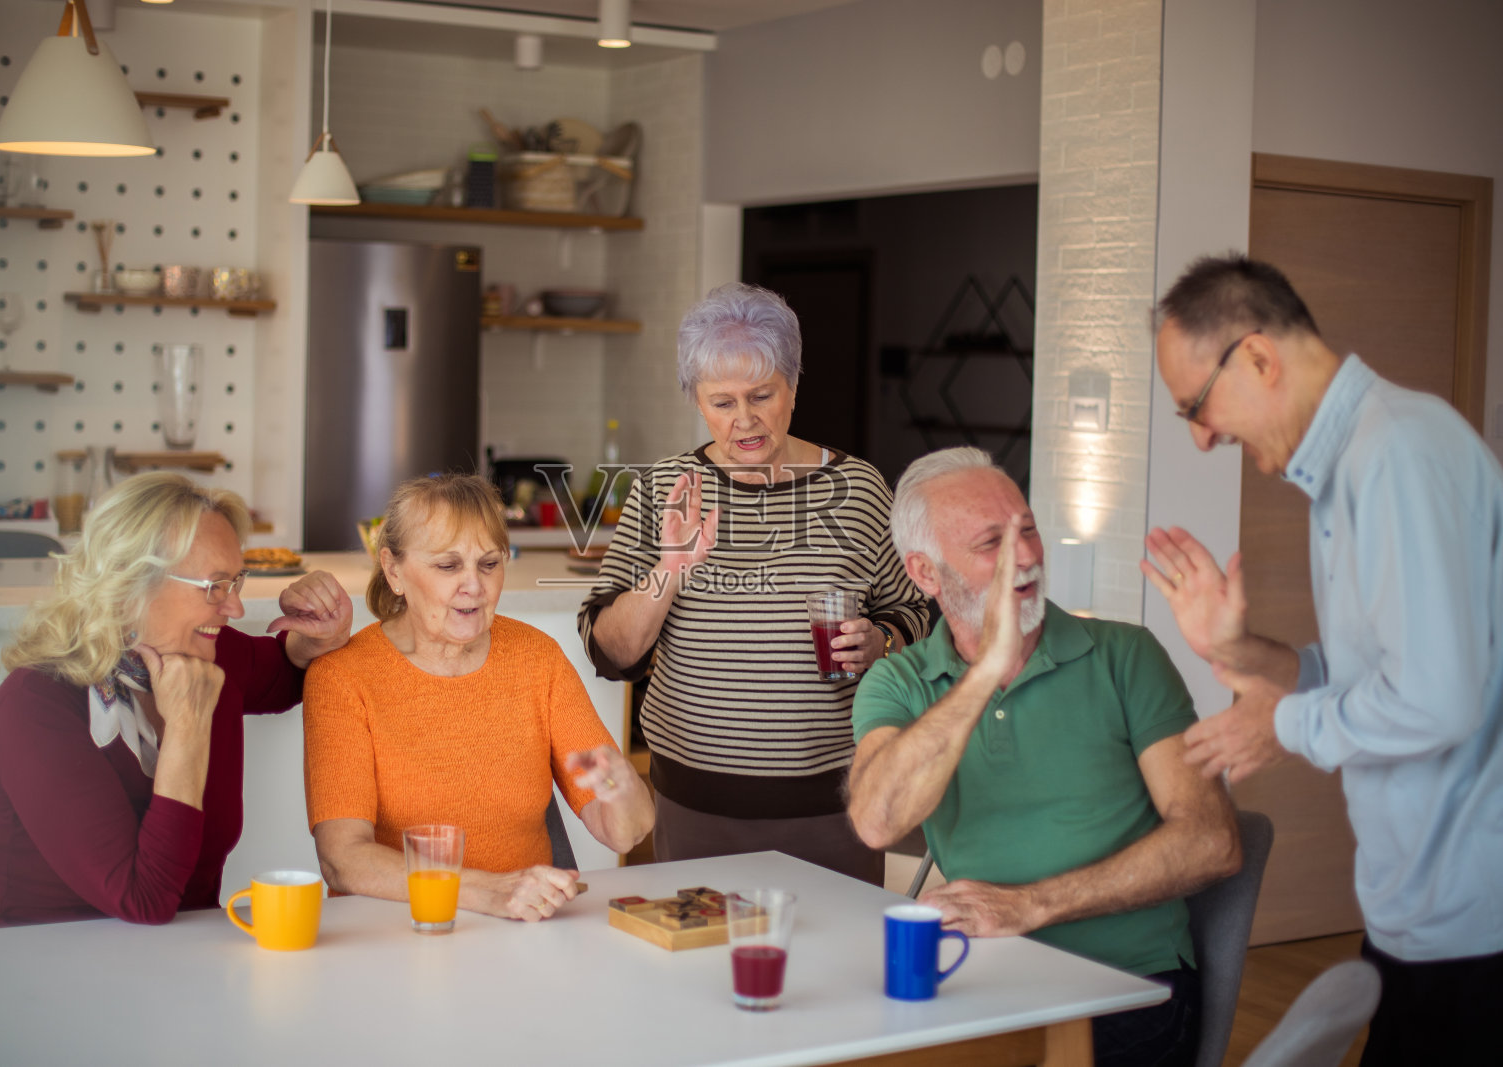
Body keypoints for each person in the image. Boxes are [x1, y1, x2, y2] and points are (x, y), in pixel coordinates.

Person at [1144, 253, 1503, 1065]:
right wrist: (1240, 653)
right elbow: (1368, 674)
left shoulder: (1397, 455)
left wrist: (1284, 723)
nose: (1203, 438)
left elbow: (1439, 700)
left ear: (1260, 356)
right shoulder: (1347, 469)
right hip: (1416, 918)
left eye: (1197, 406)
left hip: (1474, 925)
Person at [848, 447, 1239, 1067]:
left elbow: (1213, 840)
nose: (1026, 556)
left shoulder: (1125, 657)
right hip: (980, 978)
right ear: (925, 573)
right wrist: (984, 676)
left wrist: (1031, 904)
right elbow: (877, 821)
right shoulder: (899, 682)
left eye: (1027, 530)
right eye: (991, 544)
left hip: (1128, 986)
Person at [577, 283, 930, 885]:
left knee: (839, 972)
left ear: (793, 383)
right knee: (702, 973)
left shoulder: (861, 490)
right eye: (721, 402)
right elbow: (609, 653)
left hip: (837, 804)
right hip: (695, 805)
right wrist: (670, 570)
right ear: (695, 399)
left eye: (761, 395)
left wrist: (882, 642)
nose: (744, 420)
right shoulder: (663, 488)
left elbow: (914, 611)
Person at [0, 473, 353, 928]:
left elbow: (289, 675)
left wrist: (320, 636)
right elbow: (143, 900)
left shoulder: (209, 653)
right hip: (32, 971)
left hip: (182, 961)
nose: (235, 609)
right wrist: (187, 728)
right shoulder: (38, 703)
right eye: (215, 586)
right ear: (130, 586)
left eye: (236, 582)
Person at [303, 475, 653, 922]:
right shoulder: (343, 676)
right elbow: (342, 858)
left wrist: (619, 791)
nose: (475, 585)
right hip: (397, 934)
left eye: (489, 564)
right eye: (448, 566)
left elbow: (624, 832)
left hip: (523, 929)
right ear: (394, 571)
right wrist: (490, 892)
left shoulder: (535, 658)